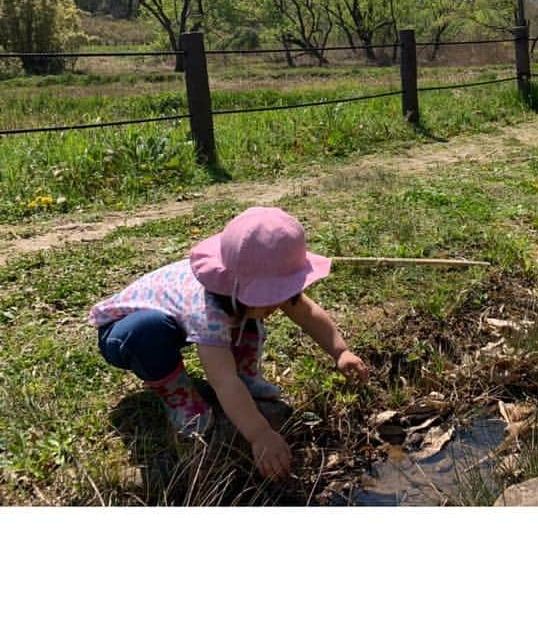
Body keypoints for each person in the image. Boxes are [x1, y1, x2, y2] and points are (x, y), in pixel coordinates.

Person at [89, 206, 369, 481]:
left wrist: (340, 351)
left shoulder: (241, 292)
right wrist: (259, 434)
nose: (279, 303)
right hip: (125, 335)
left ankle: (247, 374)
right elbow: (223, 381)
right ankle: (180, 398)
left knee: (248, 313)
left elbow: (306, 313)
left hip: (185, 321)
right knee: (149, 331)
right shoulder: (209, 309)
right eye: (272, 295)